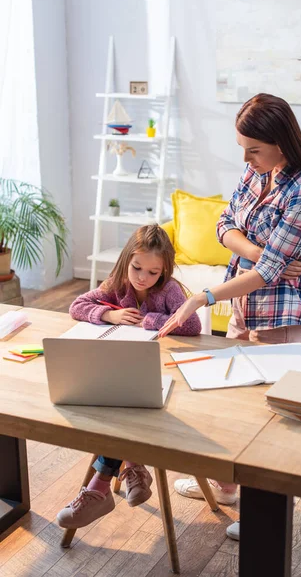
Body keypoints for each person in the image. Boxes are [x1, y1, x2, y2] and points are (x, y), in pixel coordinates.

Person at [158, 93, 301, 540]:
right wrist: (258, 252)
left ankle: (266, 517)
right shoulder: (257, 170)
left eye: (253, 148)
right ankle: (230, 487)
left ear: (282, 142)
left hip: (282, 314)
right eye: (242, 147)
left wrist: (204, 296)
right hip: (244, 305)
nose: (245, 157)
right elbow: (224, 224)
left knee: (274, 419)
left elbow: (270, 276)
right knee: (233, 405)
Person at [57, 224, 201, 530]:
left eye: (153, 272)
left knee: (121, 405)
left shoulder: (169, 291)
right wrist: (109, 315)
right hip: (123, 373)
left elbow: (192, 326)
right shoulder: (116, 284)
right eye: (137, 268)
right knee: (112, 401)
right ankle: (133, 466)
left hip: (163, 375)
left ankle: (101, 484)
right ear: (126, 261)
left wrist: (151, 320)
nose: (142, 278)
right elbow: (76, 306)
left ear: (164, 271)